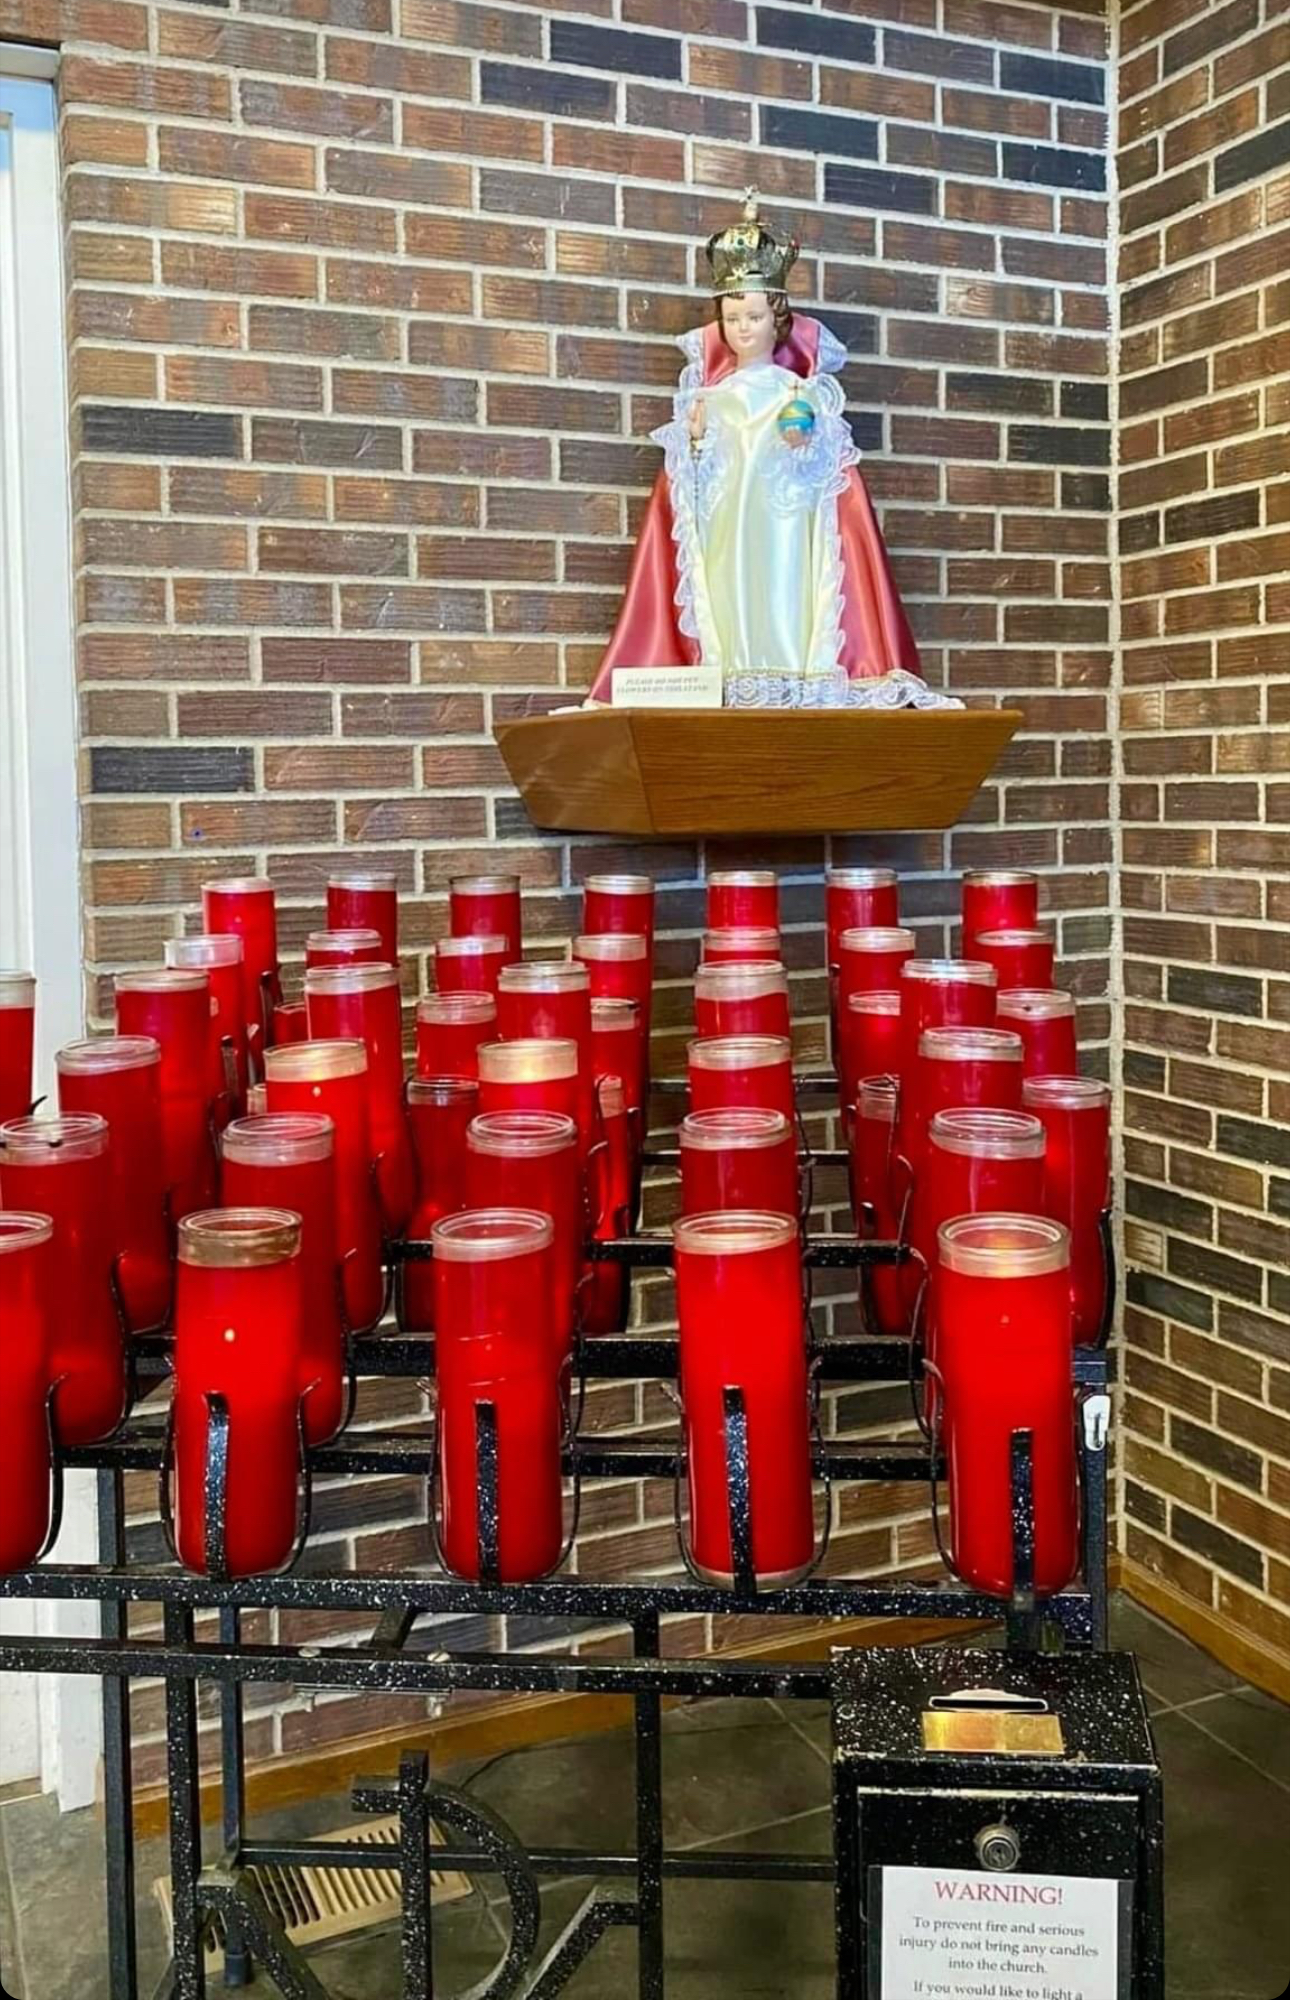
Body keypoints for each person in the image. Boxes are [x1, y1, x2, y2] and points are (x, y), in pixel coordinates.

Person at [587, 193, 953, 711]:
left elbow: (829, 487)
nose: (743, 328)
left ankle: (794, 674)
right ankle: (730, 674)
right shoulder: (710, 398)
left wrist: (804, 443)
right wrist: (694, 443)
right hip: (728, 532)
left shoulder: (796, 392)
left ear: (776, 320)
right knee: (728, 592)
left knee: (785, 588)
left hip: (785, 531)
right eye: (733, 317)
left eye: (754, 316)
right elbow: (686, 496)